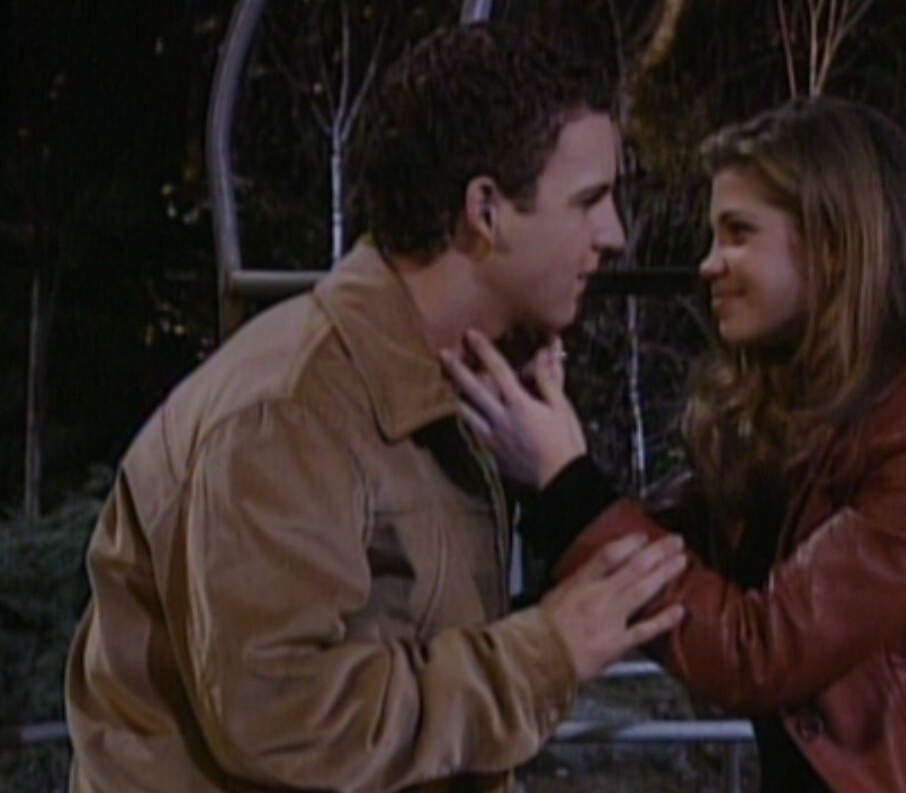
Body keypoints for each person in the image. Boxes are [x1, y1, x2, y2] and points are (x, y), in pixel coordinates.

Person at [446, 97, 906, 792]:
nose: (708, 264)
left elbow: (760, 650)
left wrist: (565, 483)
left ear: (833, 248)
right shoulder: (806, 408)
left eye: (737, 234)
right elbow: (676, 561)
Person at [64, 23, 687, 793]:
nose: (615, 235)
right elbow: (279, 715)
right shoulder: (289, 410)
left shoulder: (438, 387)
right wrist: (542, 653)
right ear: (485, 211)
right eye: (589, 200)